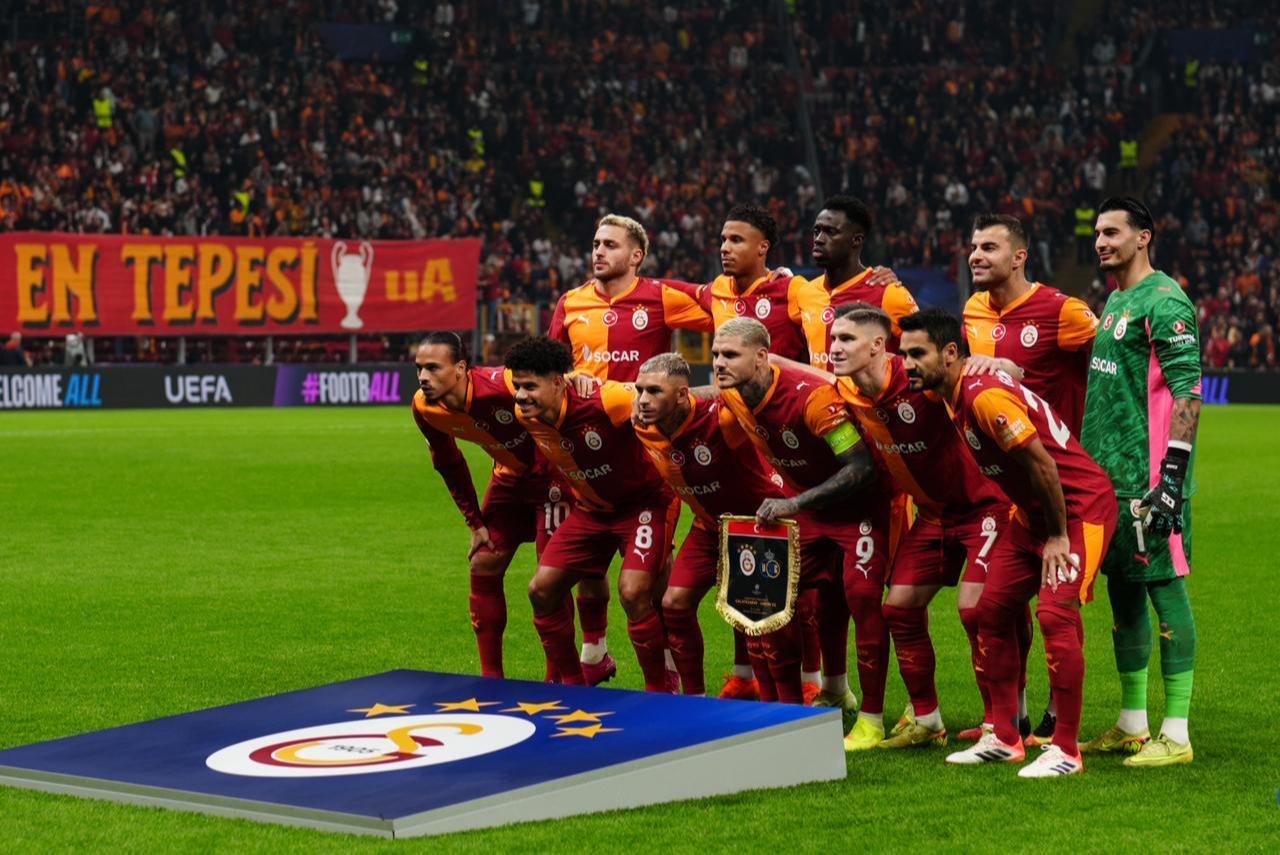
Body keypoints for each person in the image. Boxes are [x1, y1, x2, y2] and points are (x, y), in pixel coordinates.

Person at [899, 308, 1117, 777]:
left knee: (1055, 612)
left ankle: (1065, 750)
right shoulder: (953, 393)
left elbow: (1044, 467)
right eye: (904, 355)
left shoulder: (981, 397)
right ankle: (1004, 737)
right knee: (991, 611)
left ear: (951, 353)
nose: (908, 364)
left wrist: (1058, 536)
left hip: (1078, 509)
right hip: (1033, 512)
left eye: (917, 354)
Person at [820, 304, 1026, 750]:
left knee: (976, 610)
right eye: (833, 339)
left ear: (878, 345)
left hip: (985, 505)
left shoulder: (920, 377)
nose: (834, 348)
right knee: (899, 608)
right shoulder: (846, 392)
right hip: (932, 514)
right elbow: (804, 374)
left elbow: (989, 373)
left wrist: (1003, 362)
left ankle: (999, 723)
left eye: (846, 340)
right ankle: (927, 719)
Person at [962, 213, 1099, 744]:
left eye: (989, 247)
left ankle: (1052, 716)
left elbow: (1107, 367)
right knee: (996, 604)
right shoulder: (973, 310)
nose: (976, 255)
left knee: (1054, 599)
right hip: (1000, 483)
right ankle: (1010, 715)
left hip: (1055, 478)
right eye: (974, 246)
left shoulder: (1064, 312)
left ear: (1019, 257)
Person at [712, 317, 885, 734]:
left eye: (729, 355)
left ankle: (873, 720)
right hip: (807, 508)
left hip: (863, 507)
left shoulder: (813, 401)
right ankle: (789, 713)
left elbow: (861, 467)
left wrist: (794, 501)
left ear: (759, 358)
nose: (719, 363)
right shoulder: (733, 396)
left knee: (862, 599)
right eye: (716, 354)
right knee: (771, 601)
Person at [1080, 197, 1201, 767]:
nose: (1101, 241)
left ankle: (1174, 734)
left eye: (1112, 232)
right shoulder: (1117, 299)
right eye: (1097, 233)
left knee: (1165, 593)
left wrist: (1171, 480)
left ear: (1143, 237)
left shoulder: (1166, 300)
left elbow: (1188, 396)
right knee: (1123, 595)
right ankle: (1133, 723)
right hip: (1110, 482)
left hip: (1149, 484)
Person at [506, 336, 678, 692]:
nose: (521, 396)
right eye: (518, 386)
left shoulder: (606, 398)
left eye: (530, 387)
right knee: (541, 590)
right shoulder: (529, 414)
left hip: (641, 507)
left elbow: (663, 396)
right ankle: (572, 683)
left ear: (558, 382)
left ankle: (660, 691)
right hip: (590, 512)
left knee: (634, 593)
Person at [630, 351, 792, 699]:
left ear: (681, 394)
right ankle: (696, 700)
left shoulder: (723, 420)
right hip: (707, 527)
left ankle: (782, 702)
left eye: (654, 391)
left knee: (761, 621)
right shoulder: (642, 425)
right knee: (674, 604)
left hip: (756, 525)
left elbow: (756, 395)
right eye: (639, 390)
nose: (643, 400)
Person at [411, 332, 568, 681]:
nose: (423, 377)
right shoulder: (424, 407)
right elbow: (448, 463)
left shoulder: (502, 386)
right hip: (509, 479)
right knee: (483, 562)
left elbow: (559, 392)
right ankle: (491, 680)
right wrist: (474, 521)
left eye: (433, 367)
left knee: (549, 581)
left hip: (553, 479)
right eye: (419, 368)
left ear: (460, 369)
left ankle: (559, 677)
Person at [802, 196, 919, 359]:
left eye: (830, 232)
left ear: (856, 240)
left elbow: (925, 351)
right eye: (817, 231)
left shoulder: (888, 293)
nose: (819, 239)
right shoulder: (803, 293)